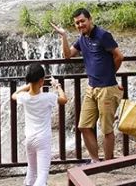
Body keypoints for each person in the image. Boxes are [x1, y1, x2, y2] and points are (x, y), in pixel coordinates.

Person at [52, 9, 124, 162]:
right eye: (77, 23)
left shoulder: (103, 35)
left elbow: (119, 56)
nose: (80, 25)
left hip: (107, 88)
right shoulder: (82, 38)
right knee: (84, 126)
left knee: (107, 129)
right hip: (91, 88)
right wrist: (63, 36)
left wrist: (110, 74)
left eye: (82, 21)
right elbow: (67, 55)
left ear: (90, 20)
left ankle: (108, 163)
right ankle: (95, 161)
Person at [11, 63, 67, 186]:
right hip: (43, 139)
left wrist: (27, 86)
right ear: (41, 81)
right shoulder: (48, 97)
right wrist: (57, 86)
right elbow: (64, 99)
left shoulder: (24, 97)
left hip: (29, 139)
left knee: (31, 170)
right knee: (42, 174)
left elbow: (14, 94)